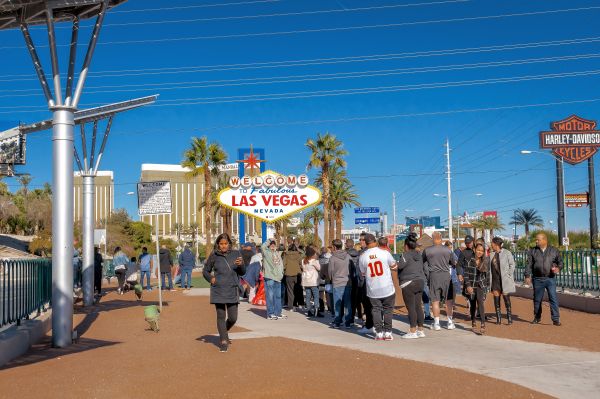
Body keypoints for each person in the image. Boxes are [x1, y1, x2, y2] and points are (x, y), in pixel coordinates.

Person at [203, 233, 246, 353]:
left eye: (225, 243)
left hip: (232, 289)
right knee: (221, 316)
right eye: (221, 244)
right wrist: (211, 279)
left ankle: (223, 332)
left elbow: (242, 272)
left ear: (229, 244)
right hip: (218, 289)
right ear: (218, 244)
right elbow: (205, 271)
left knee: (233, 318)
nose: (223, 246)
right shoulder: (214, 255)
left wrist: (241, 265)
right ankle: (223, 340)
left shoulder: (236, 254)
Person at [359, 234, 397, 341]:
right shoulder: (385, 253)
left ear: (366, 243)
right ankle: (388, 333)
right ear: (375, 241)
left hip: (373, 288)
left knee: (375, 310)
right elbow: (394, 265)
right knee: (388, 310)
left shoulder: (363, 256)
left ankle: (379, 333)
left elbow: (363, 273)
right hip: (387, 287)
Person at [525, 233, 563, 326]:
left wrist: (558, 268)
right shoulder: (533, 251)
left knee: (553, 298)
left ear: (544, 240)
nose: (536, 241)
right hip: (537, 279)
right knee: (537, 300)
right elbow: (529, 264)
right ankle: (537, 317)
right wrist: (527, 275)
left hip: (550, 279)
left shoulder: (554, 250)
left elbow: (560, 262)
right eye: (536, 240)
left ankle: (555, 319)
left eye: (538, 240)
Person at [422, 232, 456, 331]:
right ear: (441, 238)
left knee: (435, 300)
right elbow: (453, 263)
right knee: (448, 300)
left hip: (433, 276)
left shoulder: (427, 250)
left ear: (432, 239)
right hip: (446, 276)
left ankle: (436, 324)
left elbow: (422, 262)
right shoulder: (448, 250)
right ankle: (450, 322)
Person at [397, 233, 427, 339]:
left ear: (406, 245)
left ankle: (413, 331)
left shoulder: (405, 255)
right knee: (418, 306)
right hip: (420, 281)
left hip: (408, 283)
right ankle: (421, 330)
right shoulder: (419, 255)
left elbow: (400, 266)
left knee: (411, 308)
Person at [490, 236, 516, 325]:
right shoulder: (491, 254)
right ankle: (499, 319)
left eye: (492, 243)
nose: (491, 245)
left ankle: (509, 318)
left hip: (505, 280)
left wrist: (508, 274)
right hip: (495, 280)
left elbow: (512, 264)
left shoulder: (507, 253)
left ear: (496, 244)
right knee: (496, 300)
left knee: (506, 299)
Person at [463, 243, 489, 334]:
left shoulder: (485, 261)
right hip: (471, 285)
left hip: (480, 285)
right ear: (474, 249)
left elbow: (487, 276)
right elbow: (465, 274)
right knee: (473, 304)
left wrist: (487, 288)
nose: (480, 252)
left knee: (480, 303)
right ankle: (473, 321)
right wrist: (468, 286)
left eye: (482, 251)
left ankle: (482, 324)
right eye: (478, 250)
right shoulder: (469, 260)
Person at [328, 239, 353, 329]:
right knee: (347, 303)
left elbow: (330, 271)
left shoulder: (332, 258)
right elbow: (352, 268)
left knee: (337, 304)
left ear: (334, 247)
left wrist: (332, 280)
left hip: (337, 282)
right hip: (347, 282)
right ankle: (348, 322)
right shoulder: (348, 256)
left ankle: (337, 322)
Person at [262, 239, 285, 320]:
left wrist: (281, 273)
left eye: (274, 244)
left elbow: (280, 264)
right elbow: (263, 247)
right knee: (270, 296)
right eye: (271, 244)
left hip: (278, 278)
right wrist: (269, 240)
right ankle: (270, 313)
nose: (272, 245)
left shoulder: (277, 253)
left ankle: (278, 313)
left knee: (278, 296)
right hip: (270, 277)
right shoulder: (266, 252)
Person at [356, 232, 374, 334]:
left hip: (367, 282)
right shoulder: (361, 252)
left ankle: (369, 325)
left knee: (369, 305)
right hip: (363, 282)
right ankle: (371, 324)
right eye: (360, 240)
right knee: (368, 305)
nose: (361, 241)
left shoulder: (366, 253)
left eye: (363, 240)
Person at [301, 246, 322, 318]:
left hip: (306, 280)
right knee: (316, 296)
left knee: (308, 296)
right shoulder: (314, 261)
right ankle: (316, 310)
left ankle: (309, 311)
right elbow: (319, 268)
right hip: (313, 281)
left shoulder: (303, 260)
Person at [345, 239, 362, 323]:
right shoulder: (359, 254)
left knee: (350, 300)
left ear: (347, 245)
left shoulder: (346, 255)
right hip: (358, 279)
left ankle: (351, 318)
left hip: (349, 279)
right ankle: (359, 315)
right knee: (357, 298)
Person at [283, 243, 303, 311]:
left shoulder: (286, 255)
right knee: (298, 290)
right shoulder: (299, 255)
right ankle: (299, 304)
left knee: (290, 291)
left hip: (289, 274)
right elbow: (301, 264)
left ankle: (291, 306)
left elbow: (284, 265)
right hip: (297, 274)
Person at [318, 246, 334, 315]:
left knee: (320, 293)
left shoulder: (318, 259)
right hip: (328, 278)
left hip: (320, 277)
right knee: (328, 293)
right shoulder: (330, 258)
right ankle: (329, 308)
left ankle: (321, 308)